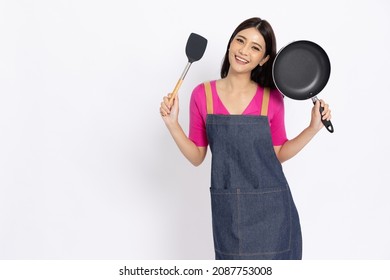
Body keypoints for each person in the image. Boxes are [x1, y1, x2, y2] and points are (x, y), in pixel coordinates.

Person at [159, 17, 331, 260]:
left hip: (275, 213)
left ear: (263, 60)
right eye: (240, 41)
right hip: (229, 214)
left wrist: (313, 128)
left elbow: (279, 153)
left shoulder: (271, 98)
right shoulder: (202, 95)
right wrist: (172, 124)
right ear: (230, 44)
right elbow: (197, 156)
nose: (244, 50)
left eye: (255, 47)